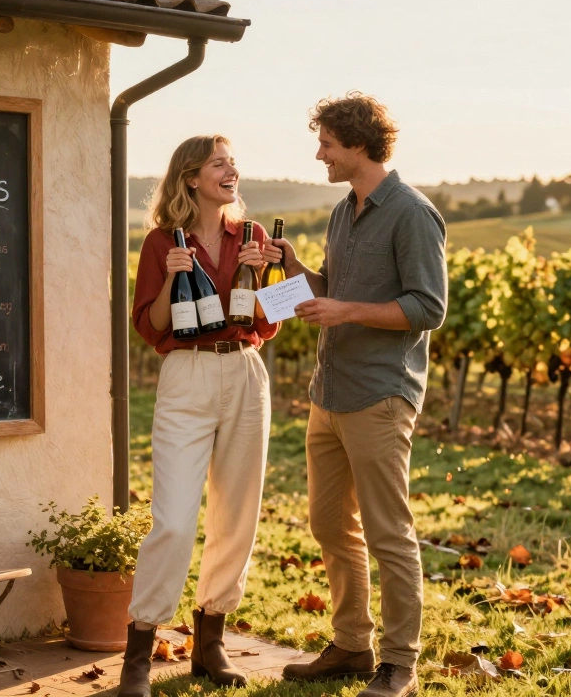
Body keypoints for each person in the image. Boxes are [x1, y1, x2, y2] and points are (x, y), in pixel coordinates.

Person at [274, 93, 448, 697]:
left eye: (326, 143)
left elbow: (429, 309)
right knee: (327, 523)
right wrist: (295, 267)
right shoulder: (343, 212)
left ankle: (399, 661)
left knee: (387, 531)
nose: (319, 153)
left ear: (357, 145)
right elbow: (331, 291)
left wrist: (344, 308)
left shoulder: (412, 214)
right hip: (331, 392)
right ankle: (351, 644)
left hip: (380, 395)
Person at [119, 135, 283, 697]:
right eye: (219, 163)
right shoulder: (162, 240)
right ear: (191, 177)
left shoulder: (254, 237)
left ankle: (209, 643)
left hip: (244, 370)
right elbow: (153, 327)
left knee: (237, 515)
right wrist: (169, 275)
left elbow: (270, 321)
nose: (231, 170)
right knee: (172, 519)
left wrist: (266, 276)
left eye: (232, 161)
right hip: (186, 376)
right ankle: (139, 652)